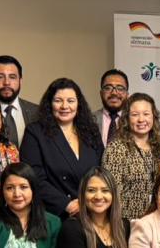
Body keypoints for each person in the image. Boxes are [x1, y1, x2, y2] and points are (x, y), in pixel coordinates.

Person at [21, 78, 104, 218]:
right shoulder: (35, 132)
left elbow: (101, 171)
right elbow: (33, 177)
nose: (65, 106)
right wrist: (67, 204)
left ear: (78, 104)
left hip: (92, 210)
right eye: (58, 100)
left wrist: (89, 202)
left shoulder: (91, 131)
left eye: (71, 101)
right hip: (55, 214)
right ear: (50, 104)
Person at [102, 92, 160, 221]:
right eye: (135, 115)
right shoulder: (116, 148)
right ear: (126, 118)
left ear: (154, 117)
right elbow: (112, 192)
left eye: (146, 114)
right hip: (127, 221)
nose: (141, 120)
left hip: (158, 221)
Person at [93, 69, 130, 146]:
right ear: (101, 93)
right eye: (108, 88)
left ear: (127, 94)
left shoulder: (135, 122)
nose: (114, 93)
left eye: (120, 88)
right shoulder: (89, 120)